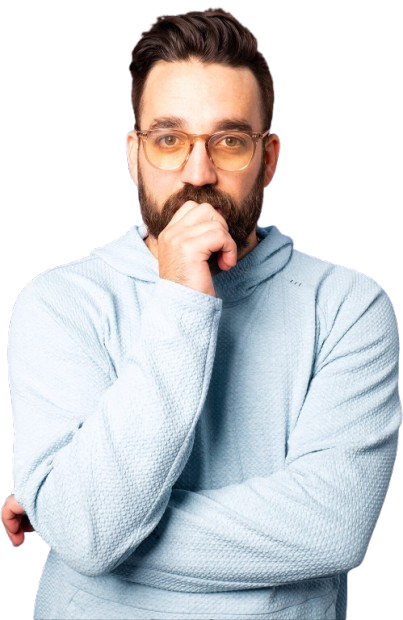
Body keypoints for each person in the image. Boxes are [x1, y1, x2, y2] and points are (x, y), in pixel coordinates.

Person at [3, 7, 401, 620]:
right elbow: (87, 529)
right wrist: (182, 298)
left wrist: (82, 525)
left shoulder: (349, 308)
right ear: (133, 155)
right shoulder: (59, 303)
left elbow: (330, 529)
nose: (198, 173)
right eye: (169, 140)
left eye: (229, 142)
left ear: (269, 158)